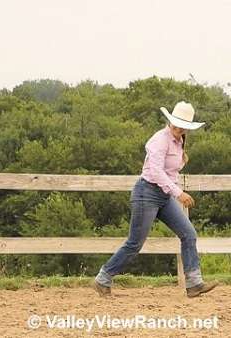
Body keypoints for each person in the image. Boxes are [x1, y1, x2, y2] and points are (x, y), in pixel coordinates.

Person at [93, 101, 217, 298]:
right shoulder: (159, 140)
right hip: (147, 193)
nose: (178, 128)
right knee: (135, 243)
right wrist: (179, 193)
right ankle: (104, 277)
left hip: (163, 196)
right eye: (176, 123)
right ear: (170, 121)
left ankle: (194, 283)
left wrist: (173, 187)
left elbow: (169, 171)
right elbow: (156, 172)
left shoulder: (179, 141)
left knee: (189, 234)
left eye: (183, 125)